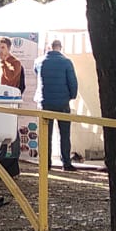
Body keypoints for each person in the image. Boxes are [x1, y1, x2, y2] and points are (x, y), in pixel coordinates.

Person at [36, 39, 78, 171]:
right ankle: (66, 163)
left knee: (45, 135)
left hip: (45, 102)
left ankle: (45, 163)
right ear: (60, 47)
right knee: (64, 134)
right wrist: (71, 96)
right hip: (62, 103)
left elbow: (38, 75)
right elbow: (73, 83)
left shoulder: (39, 62)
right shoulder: (66, 62)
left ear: (50, 47)